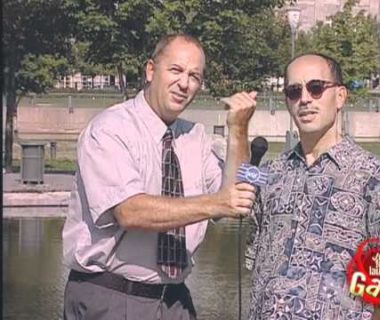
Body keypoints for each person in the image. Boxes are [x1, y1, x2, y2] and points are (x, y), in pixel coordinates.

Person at [62, 33, 258, 320]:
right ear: (151, 70)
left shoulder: (195, 137)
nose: (184, 83)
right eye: (176, 70)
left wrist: (239, 131)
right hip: (111, 297)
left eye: (194, 76)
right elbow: (130, 211)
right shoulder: (110, 129)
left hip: (174, 299)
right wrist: (217, 203)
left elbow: (235, 196)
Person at [245, 53, 380, 320]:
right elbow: (253, 257)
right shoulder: (272, 174)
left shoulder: (372, 176)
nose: (305, 99)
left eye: (316, 88)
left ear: (341, 96)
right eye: (293, 91)